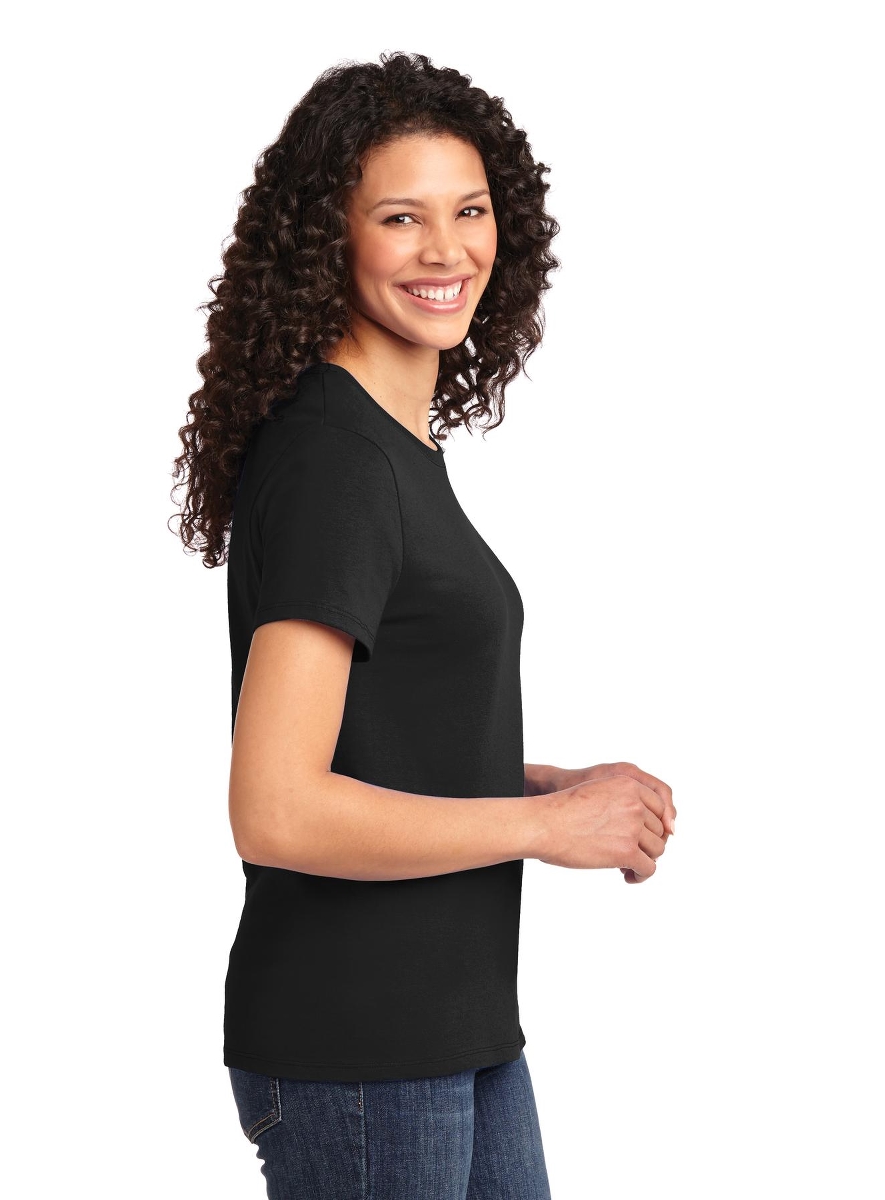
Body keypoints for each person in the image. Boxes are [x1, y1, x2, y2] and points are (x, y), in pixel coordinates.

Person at [171, 51, 676, 1200]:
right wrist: (542, 827)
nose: (447, 250)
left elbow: (376, 741)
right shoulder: (339, 460)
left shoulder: (386, 445)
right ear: (330, 239)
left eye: (470, 210)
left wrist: (549, 788)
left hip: (452, 1029)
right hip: (363, 1051)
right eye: (402, 216)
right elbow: (276, 806)